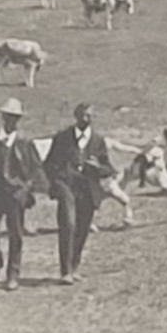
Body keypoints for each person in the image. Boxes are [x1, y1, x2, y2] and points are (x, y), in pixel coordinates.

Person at [0, 97, 49, 292]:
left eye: (14, 118)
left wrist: (25, 189)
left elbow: (35, 170)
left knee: (16, 235)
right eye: (7, 117)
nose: (10, 121)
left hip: (14, 196)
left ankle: (13, 274)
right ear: (2, 117)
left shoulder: (24, 143)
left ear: (18, 120)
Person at [42, 103, 116, 285]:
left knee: (82, 228)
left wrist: (98, 167)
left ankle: (74, 266)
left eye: (89, 116)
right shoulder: (62, 138)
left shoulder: (98, 141)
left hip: (88, 190)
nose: (85, 119)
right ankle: (65, 271)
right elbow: (48, 165)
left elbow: (108, 168)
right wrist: (57, 183)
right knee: (68, 224)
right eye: (82, 115)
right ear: (75, 116)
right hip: (66, 187)